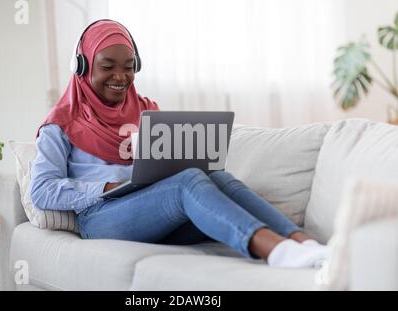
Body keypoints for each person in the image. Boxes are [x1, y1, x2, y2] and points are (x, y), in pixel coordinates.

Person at [30, 20, 330, 268]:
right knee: (186, 182)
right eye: (108, 66)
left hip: (154, 215)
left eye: (129, 67)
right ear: (82, 67)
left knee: (216, 177)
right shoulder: (60, 123)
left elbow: (165, 170)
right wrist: (107, 188)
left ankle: (306, 244)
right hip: (99, 219)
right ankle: (278, 252)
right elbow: (41, 190)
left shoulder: (146, 109)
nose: (120, 77)